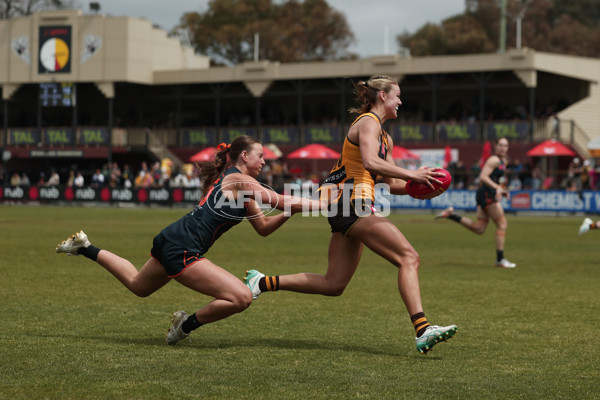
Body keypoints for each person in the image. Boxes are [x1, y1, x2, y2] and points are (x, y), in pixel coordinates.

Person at [244, 75, 458, 355]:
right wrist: (413, 173)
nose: (400, 101)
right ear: (382, 96)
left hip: (348, 206)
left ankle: (261, 282)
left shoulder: (385, 138)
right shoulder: (368, 122)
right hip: (350, 203)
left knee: (333, 284)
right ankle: (423, 328)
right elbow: (369, 161)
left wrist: (419, 187)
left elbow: (390, 183)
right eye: (397, 95)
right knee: (409, 257)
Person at [56, 136, 325, 345]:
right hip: (183, 246)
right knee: (242, 297)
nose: (264, 161)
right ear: (244, 156)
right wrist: (325, 204)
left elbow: (264, 227)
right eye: (261, 156)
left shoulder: (236, 184)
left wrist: (293, 210)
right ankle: (184, 325)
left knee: (139, 286)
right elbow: (281, 200)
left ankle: (85, 247)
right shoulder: (239, 180)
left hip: (173, 237)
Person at [434, 137, 516, 269]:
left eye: (505, 146)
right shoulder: (494, 159)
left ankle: (451, 215)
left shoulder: (502, 161)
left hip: (484, 194)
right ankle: (500, 259)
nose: (502, 148)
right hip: (486, 194)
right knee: (502, 224)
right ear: (495, 146)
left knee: (479, 228)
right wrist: (497, 188)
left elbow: (491, 178)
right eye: (500, 145)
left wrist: (501, 190)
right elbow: (483, 176)